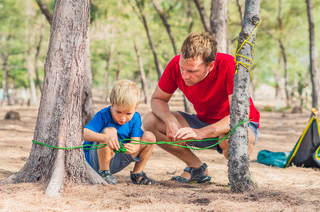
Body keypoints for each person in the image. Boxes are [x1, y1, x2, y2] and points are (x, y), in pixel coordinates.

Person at [143, 32, 260, 184]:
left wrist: (200, 133)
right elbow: (158, 99)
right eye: (182, 68)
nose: (184, 76)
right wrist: (170, 120)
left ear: (210, 66)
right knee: (150, 121)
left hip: (240, 123)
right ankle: (196, 168)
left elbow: (237, 116)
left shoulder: (230, 65)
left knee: (230, 139)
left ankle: (239, 180)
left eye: (192, 71)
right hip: (204, 122)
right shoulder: (174, 65)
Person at [83, 79, 155, 185]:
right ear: (112, 104)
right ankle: (104, 172)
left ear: (135, 109)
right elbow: (83, 133)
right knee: (110, 131)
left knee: (150, 137)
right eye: (118, 112)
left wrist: (134, 147)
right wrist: (105, 138)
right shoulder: (103, 115)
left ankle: (137, 174)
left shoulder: (135, 118)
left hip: (117, 160)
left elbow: (135, 142)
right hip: (95, 161)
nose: (123, 118)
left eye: (128, 113)